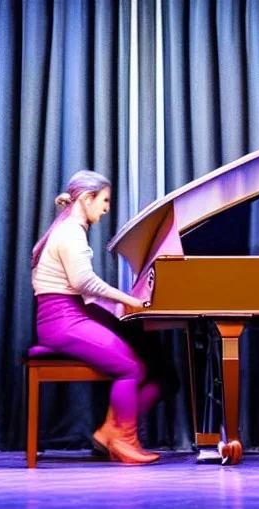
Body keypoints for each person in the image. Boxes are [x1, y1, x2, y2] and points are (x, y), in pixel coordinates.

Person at [31, 169, 162, 464]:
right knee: (129, 368)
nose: (106, 208)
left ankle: (109, 433)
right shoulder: (71, 232)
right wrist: (131, 301)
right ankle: (122, 442)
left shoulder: (65, 228)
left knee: (137, 367)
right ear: (87, 198)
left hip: (66, 316)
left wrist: (116, 310)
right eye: (104, 200)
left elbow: (78, 291)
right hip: (62, 322)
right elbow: (84, 283)